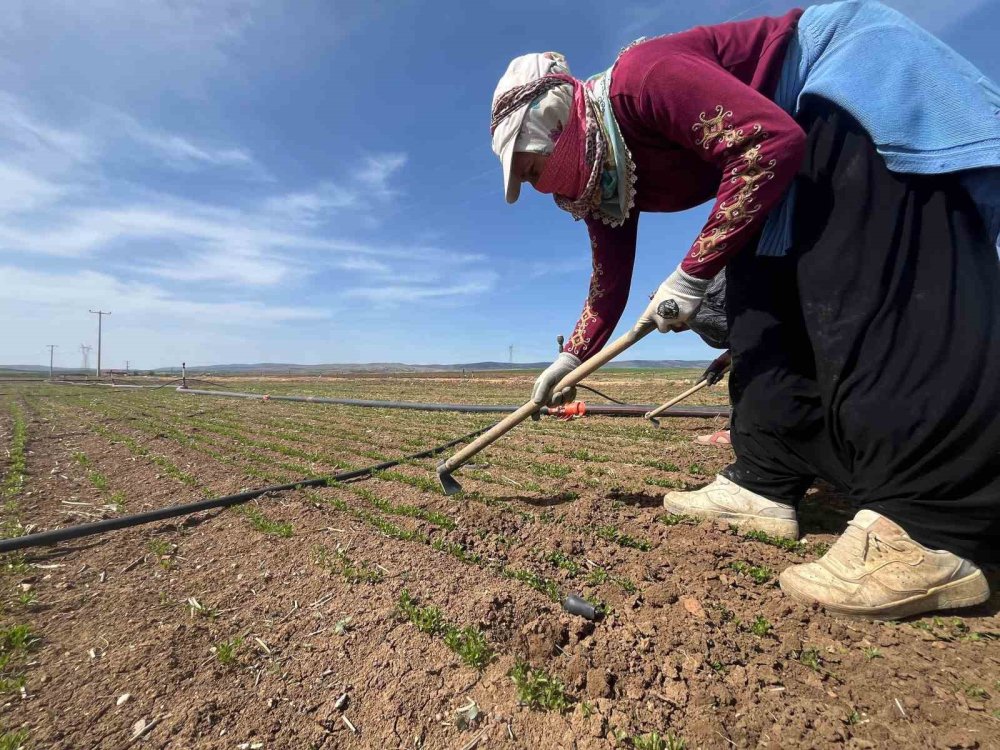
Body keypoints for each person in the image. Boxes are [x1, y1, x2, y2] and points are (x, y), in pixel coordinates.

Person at [491, 1, 1000, 619]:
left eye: (535, 167)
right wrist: (568, 358)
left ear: (559, 124)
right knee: (760, 305)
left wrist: (690, 274)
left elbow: (766, 143)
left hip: (840, 83)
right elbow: (609, 284)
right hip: (784, 153)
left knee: (858, 281)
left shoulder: (640, 78)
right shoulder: (609, 182)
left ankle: (930, 525)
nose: (542, 187)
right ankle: (763, 479)